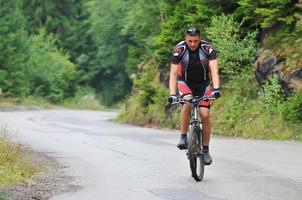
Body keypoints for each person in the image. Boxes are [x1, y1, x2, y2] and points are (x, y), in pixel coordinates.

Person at [168, 27, 221, 165]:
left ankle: (205, 150)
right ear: (185, 38)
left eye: (195, 41)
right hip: (185, 82)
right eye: (190, 41)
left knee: (205, 115)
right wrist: (172, 94)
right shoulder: (179, 50)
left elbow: (214, 71)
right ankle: (183, 137)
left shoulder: (207, 49)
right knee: (187, 103)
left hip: (203, 84)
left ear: (200, 38)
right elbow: (173, 75)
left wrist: (216, 88)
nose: (192, 44)